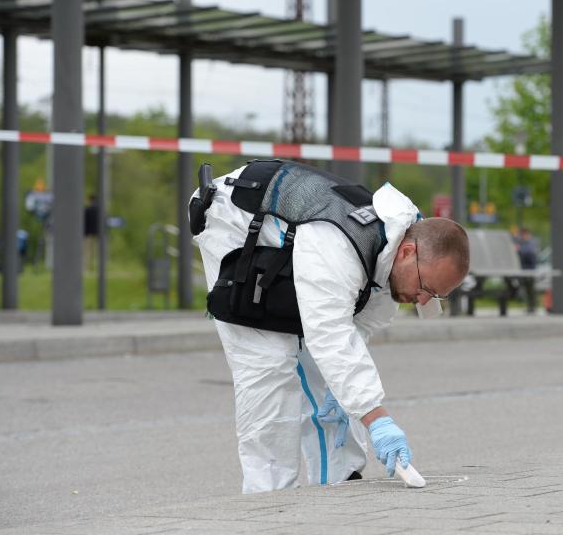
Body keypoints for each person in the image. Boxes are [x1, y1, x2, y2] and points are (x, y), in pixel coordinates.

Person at [191, 159, 469, 494]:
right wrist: (376, 417)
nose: (423, 300)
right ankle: (269, 495)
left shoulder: (393, 256)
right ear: (408, 252)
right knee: (270, 363)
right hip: (235, 219)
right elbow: (329, 334)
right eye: (426, 288)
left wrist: (348, 395)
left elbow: (356, 330)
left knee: (331, 376)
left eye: (436, 296)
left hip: (295, 241)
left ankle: (339, 483)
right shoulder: (340, 244)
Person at [517, 227, 539, 314]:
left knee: (531, 288)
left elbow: (528, 253)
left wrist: (519, 250)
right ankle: (530, 306)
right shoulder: (522, 243)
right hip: (524, 269)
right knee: (527, 288)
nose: (522, 236)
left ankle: (533, 306)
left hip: (530, 269)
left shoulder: (531, 243)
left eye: (523, 234)